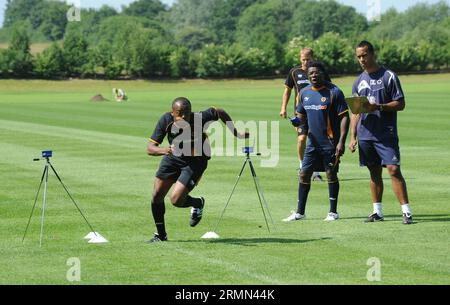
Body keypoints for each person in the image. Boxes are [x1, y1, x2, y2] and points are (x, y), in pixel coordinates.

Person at [147, 97, 249, 242]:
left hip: (195, 161)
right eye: (179, 114)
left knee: (175, 200)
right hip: (172, 158)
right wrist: (164, 150)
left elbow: (218, 112)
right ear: (172, 112)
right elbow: (150, 148)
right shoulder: (165, 120)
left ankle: (197, 203)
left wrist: (235, 132)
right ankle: (161, 235)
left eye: (186, 114)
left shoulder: (200, 118)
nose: (183, 117)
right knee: (157, 195)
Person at [349, 41, 413, 225]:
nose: (362, 59)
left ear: (373, 54)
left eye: (364, 55)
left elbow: (400, 103)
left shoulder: (389, 76)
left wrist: (380, 106)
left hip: (385, 133)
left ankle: (406, 212)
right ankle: (377, 212)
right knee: (374, 173)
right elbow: (355, 111)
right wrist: (352, 136)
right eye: (359, 56)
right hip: (365, 135)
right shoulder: (358, 81)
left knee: (393, 170)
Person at [283, 61, 349, 222]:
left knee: (330, 174)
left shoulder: (334, 92)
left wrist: (341, 142)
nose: (313, 75)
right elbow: (301, 116)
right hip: (312, 143)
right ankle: (300, 212)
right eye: (310, 73)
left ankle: (333, 212)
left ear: (323, 73)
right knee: (304, 174)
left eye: (316, 72)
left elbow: (344, 117)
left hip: (330, 143)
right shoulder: (304, 92)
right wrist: (296, 121)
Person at [280, 48, 330, 181]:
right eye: (303, 59)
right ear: (300, 59)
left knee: (315, 140)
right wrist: (283, 108)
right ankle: (303, 165)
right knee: (302, 139)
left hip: (318, 111)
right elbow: (287, 91)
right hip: (301, 112)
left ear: (312, 58)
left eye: (308, 59)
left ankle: (316, 172)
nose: (306, 62)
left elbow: (330, 87)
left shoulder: (318, 72)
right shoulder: (294, 72)